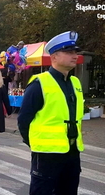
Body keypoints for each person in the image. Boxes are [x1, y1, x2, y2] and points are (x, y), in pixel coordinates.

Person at [18, 31, 84, 195]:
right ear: (54, 57)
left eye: (75, 52)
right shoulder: (39, 83)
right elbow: (23, 120)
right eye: (69, 52)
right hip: (47, 155)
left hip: (72, 152)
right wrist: (36, 144)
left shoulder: (75, 82)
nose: (74, 56)